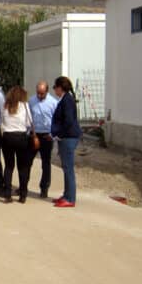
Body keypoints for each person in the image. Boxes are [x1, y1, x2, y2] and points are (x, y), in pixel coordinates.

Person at [50, 76, 82, 208]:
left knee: (68, 168)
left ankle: (70, 198)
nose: (54, 90)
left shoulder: (67, 101)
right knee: (65, 167)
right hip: (66, 137)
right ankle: (66, 194)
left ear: (59, 88)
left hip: (68, 138)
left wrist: (58, 134)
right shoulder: (65, 99)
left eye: (55, 87)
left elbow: (68, 121)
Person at [0, 85, 34, 203]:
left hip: (7, 137)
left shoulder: (5, 106)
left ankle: (7, 194)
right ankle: (23, 195)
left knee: (9, 167)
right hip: (21, 137)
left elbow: (2, 121)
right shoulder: (24, 106)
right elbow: (29, 122)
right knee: (22, 167)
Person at [28, 80, 58, 198]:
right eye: (38, 93)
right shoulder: (31, 101)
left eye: (42, 94)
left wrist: (52, 134)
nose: (39, 96)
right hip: (34, 135)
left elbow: (56, 121)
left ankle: (44, 188)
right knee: (27, 161)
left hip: (47, 136)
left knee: (45, 163)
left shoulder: (53, 103)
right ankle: (23, 186)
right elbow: (28, 117)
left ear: (47, 91)